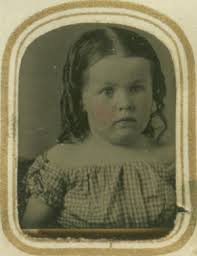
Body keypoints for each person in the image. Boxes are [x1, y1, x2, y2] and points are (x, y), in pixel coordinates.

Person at [21, 26, 176, 229]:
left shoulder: (172, 161)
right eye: (108, 91)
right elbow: (28, 239)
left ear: (154, 95)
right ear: (81, 100)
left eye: (136, 88)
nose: (125, 103)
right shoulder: (62, 163)